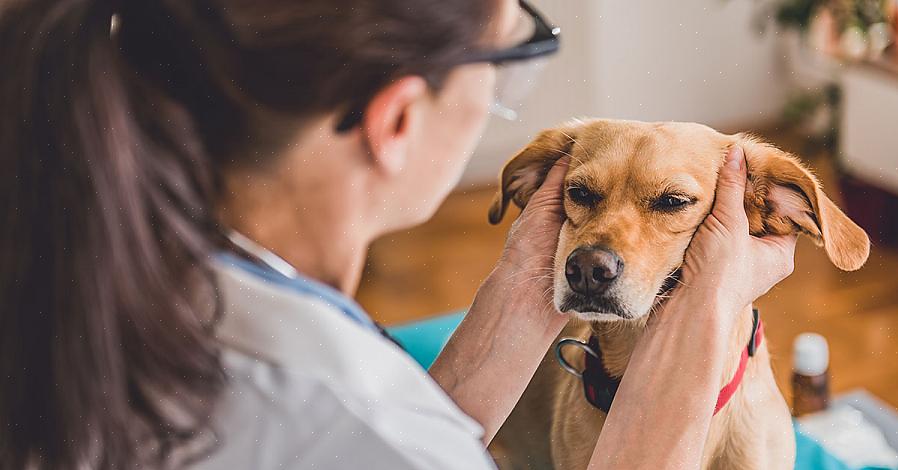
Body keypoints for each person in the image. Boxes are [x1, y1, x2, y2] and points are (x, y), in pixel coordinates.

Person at [0, 0, 797, 468]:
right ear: (397, 120)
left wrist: (526, 292)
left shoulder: (93, 265)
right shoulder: (372, 430)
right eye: (510, 63)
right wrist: (697, 328)